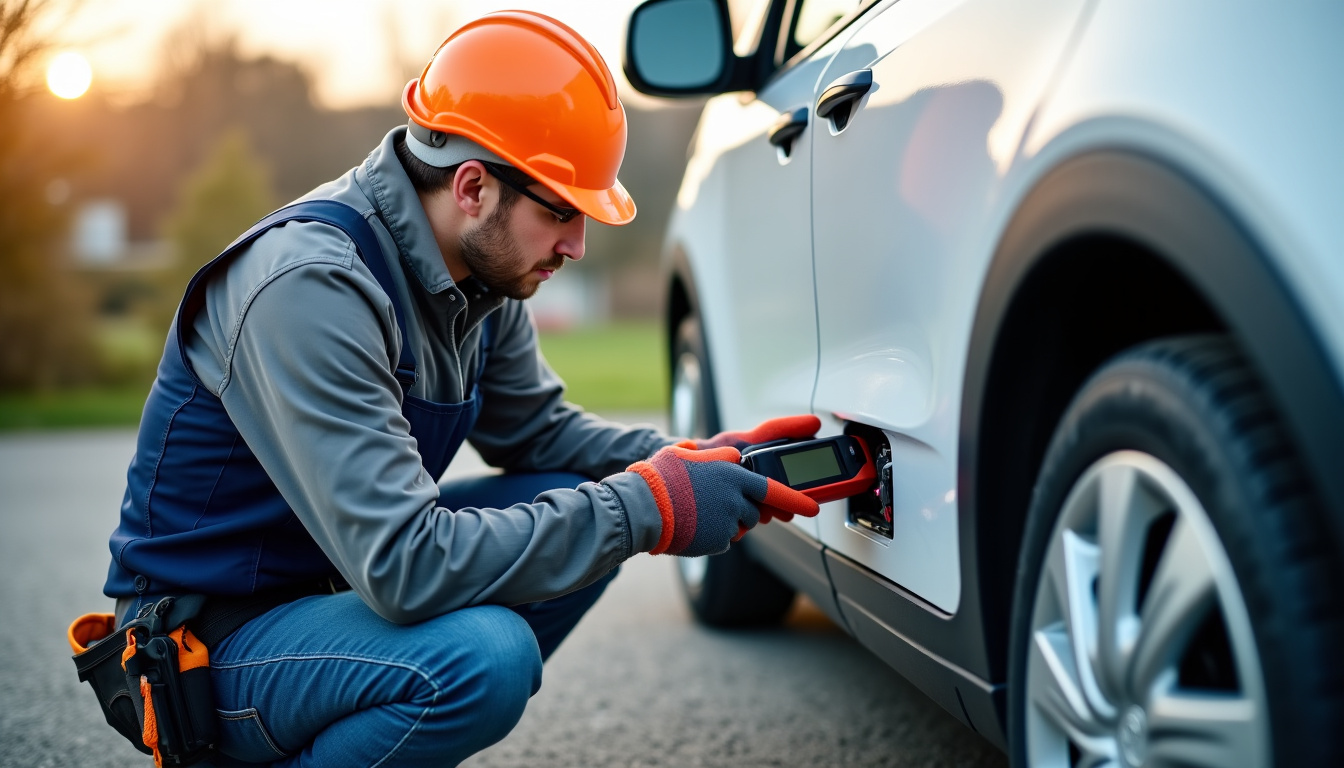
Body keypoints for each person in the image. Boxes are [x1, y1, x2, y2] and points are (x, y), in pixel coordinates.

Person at [99, 11, 821, 767]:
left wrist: (689, 461)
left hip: (332, 588)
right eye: (560, 211)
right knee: (486, 657)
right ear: (472, 186)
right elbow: (407, 567)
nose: (577, 245)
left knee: (589, 494)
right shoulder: (310, 288)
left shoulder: (479, 276)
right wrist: (649, 505)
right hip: (208, 644)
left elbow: (544, 438)